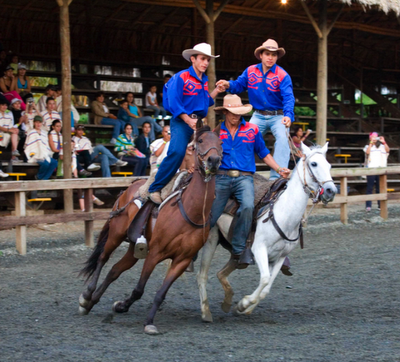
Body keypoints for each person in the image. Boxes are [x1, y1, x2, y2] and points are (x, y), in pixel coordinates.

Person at [211, 94, 290, 267]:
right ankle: (190, 251)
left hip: (245, 178)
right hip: (222, 176)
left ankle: (239, 249)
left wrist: (278, 169)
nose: (236, 115)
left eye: (238, 112)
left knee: (247, 205)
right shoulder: (217, 132)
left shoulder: (252, 130)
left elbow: (263, 153)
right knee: (210, 213)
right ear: (225, 112)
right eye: (232, 112)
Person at [148, 42, 221, 203]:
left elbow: (205, 102)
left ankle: (210, 187)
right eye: (202, 59)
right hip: (182, 121)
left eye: (208, 60)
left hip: (198, 122)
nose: (205, 63)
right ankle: (155, 188)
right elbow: (174, 102)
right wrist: (188, 120)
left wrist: (216, 91)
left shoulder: (204, 80)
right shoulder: (180, 77)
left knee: (212, 148)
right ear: (193, 59)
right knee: (177, 152)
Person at [216, 39, 295, 180]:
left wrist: (288, 115)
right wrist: (228, 84)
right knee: (242, 134)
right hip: (258, 115)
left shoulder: (283, 75)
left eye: (274, 54)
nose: (270, 57)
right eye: (267, 54)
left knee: (283, 138)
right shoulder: (251, 71)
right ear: (261, 55)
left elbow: (288, 98)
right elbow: (239, 85)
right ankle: (238, 171)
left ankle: (276, 178)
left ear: (277, 57)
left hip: (278, 115)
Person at [24, 116, 58, 180]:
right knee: (45, 164)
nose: (38, 124)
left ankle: (44, 179)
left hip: (44, 154)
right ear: (34, 123)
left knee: (54, 163)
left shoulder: (44, 133)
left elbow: (46, 145)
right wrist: (33, 153)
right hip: (35, 155)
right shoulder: (31, 132)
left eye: (40, 122)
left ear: (42, 123)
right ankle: (38, 177)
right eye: (37, 122)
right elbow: (29, 145)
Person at [363, 132, 390, 212]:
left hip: (380, 169)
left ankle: (380, 205)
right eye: (373, 137)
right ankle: (368, 206)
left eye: (376, 137)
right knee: (369, 188)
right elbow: (367, 152)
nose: (375, 139)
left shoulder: (381, 146)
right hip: (371, 169)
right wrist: (371, 143)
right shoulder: (368, 146)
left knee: (380, 188)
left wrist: (383, 142)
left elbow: (388, 150)